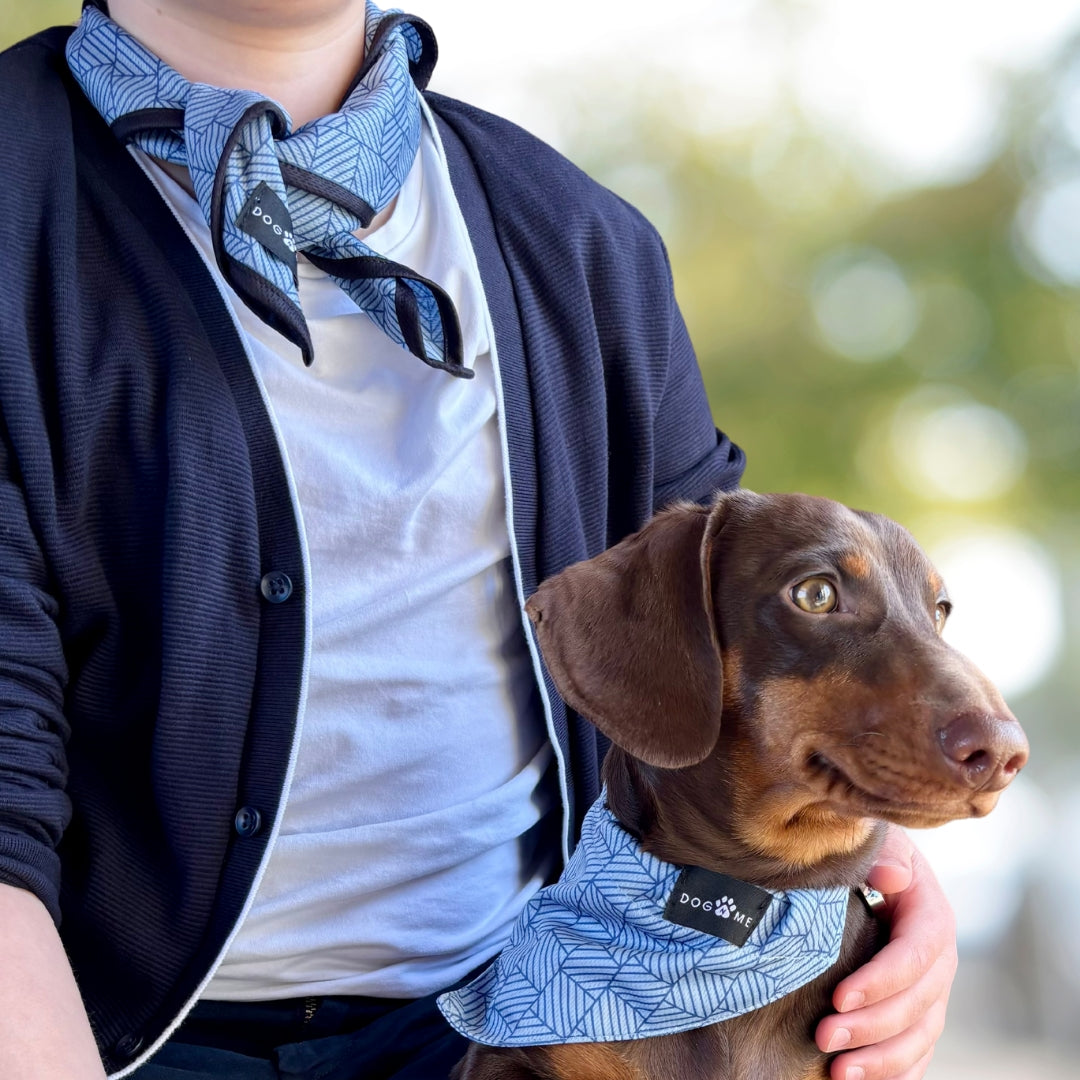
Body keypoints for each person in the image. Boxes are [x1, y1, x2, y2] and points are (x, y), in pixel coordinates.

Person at [0, 1, 957, 1078]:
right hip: (106, 1033)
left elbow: (718, 651)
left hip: (527, 1020)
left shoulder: (583, 241)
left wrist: (896, 882)